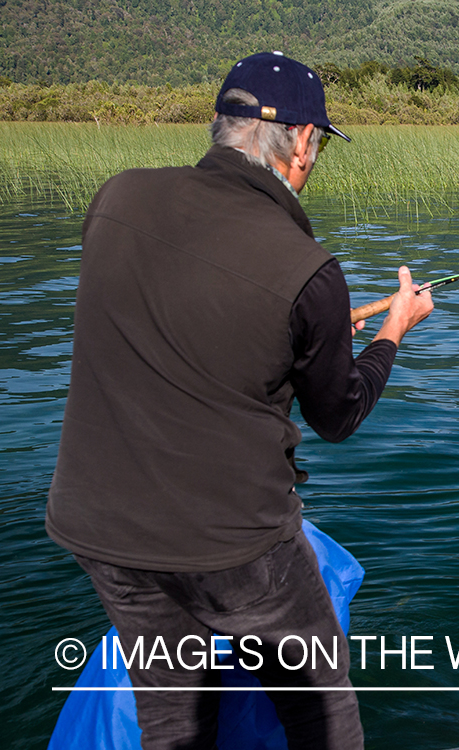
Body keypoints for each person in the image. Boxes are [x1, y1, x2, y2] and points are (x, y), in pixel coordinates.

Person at [45, 51, 432, 749]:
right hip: (235, 547)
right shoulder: (307, 269)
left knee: (171, 718)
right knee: (321, 710)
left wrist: (301, 335)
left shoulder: (118, 197)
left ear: (221, 126)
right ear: (304, 142)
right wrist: (391, 333)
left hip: (100, 533)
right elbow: (336, 414)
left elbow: (171, 307)